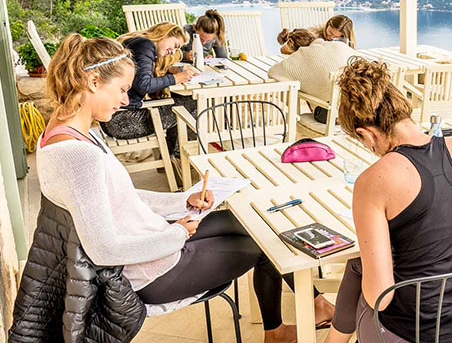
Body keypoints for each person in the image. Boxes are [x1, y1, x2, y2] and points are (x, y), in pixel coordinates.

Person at [36, 34, 335, 343]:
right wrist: (177, 233)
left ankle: (314, 306)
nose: (126, 100)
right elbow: (104, 250)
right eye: (123, 89)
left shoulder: (69, 132)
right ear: (94, 80)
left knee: (258, 221)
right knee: (265, 245)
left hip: (153, 240)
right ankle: (278, 333)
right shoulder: (76, 155)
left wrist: (183, 200)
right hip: (152, 271)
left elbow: (120, 197)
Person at [323, 58, 452, 343]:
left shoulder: (373, 181)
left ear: (366, 134)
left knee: (358, 272)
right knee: (358, 269)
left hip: (415, 334)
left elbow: (379, 298)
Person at [98, 22, 196, 156]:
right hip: (125, 120)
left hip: (113, 119)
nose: (173, 51)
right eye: (175, 45)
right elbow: (143, 85)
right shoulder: (145, 45)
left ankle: (170, 155)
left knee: (177, 103)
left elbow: (139, 78)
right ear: (165, 34)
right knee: (191, 102)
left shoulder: (137, 42)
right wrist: (176, 79)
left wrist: (172, 72)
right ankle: (178, 156)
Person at [267, 38, 357, 125]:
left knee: (302, 89)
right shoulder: (340, 45)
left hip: (334, 115)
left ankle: (294, 125)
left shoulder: (302, 56)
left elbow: (272, 72)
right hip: (357, 109)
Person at [278, 14, 355, 55]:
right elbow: (283, 49)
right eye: (330, 32)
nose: (331, 37)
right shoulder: (314, 33)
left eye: (335, 37)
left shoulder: (344, 41)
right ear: (328, 24)